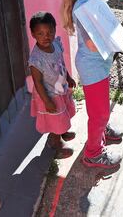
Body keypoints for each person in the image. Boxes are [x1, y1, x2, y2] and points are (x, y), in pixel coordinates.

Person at [61, 0, 123, 169]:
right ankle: (93, 154)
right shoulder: (83, 8)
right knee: (99, 112)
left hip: (99, 65)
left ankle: (102, 129)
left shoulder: (91, 0)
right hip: (92, 67)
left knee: (101, 107)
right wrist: (112, 35)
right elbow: (91, 44)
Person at [28, 11, 77, 159]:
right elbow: (37, 82)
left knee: (63, 113)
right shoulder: (36, 59)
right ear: (33, 34)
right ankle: (55, 143)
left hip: (60, 88)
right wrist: (47, 101)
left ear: (55, 30)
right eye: (41, 33)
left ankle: (61, 131)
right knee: (55, 118)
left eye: (50, 32)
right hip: (49, 95)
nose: (46, 36)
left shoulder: (56, 44)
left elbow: (61, 62)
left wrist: (68, 77)